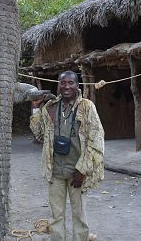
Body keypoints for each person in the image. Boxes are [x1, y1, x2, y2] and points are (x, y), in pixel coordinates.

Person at [30, 70, 104, 241]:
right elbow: (39, 134)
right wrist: (35, 109)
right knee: (56, 216)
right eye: (63, 83)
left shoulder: (86, 107)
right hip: (55, 170)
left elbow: (96, 140)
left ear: (77, 85)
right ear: (58, 85)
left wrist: (83, 170)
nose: (66, 86)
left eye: (71, 83)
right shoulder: (50, 107)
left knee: (79, 215)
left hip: (77, 171)